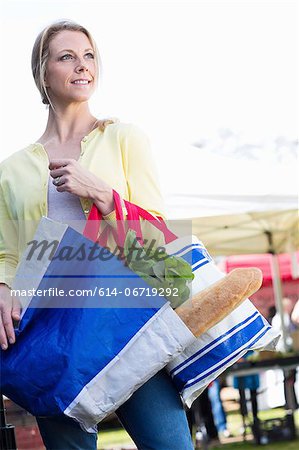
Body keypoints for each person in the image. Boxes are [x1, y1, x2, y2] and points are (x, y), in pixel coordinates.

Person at [0, 20, 195, 450]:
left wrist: (102, 195)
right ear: (42, 72)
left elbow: (160, 244)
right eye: (67, 56)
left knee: (171, 446)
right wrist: (1, 285)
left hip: (124, 323)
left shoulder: (126, 139)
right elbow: (9, 254)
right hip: (52, 337)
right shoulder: (12, 170)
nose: (82, 65)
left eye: (89, 56)